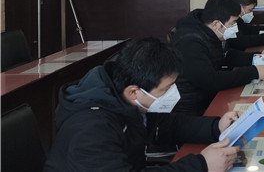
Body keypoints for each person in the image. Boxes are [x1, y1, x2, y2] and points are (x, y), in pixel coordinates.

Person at [44, 38, 240, 172]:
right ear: (134, 92)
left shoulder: (127, 99)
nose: (173, 94)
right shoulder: (90, 129)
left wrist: (217, 126)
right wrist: (202, 165)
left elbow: (167, 125)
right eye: (166, 89)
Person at [171, 0, 264, 115]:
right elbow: (210, 80)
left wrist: (258, 57)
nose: (235, 27)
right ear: (216, 24)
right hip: (193, 108)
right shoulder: (189, 41)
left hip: (209, 97)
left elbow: (226, 56)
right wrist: (253, 72)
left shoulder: (208, 31)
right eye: (232, 23)